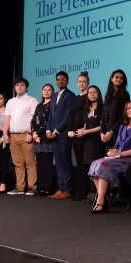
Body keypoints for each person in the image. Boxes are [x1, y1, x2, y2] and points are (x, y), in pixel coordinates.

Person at [88, 100, 131, 214]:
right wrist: (113, 151)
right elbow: (117, 145)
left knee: (102, 165)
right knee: (96, 163)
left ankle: (100, 201)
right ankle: (103, 198)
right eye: (128, 108)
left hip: (129, 159)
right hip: (118, 157)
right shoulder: (122, 127)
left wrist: (121, 154)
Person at [3, 77, 39, 196]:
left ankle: (32, 187)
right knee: (17, 163)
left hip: (26, 134)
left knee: (30, 162)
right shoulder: (10, 101)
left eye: (22, 85)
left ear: (26, 87)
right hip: (13, 135)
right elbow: (7, 119)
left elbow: (35, 119)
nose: (19, 87)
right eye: (17, 85)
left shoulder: (32, 100)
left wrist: (30, 133)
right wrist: (5, 134)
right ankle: (19, 187)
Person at [69, 85, 104, 201]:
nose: (92, 94)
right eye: (90, 93)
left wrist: (87, 131)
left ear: (98, 94)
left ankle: (100, 194)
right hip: (87, 141)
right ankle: (90, 193)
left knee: (97, 167)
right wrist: (81, 132)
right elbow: (84, 125)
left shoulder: (102, 108)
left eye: (95, 92)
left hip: (97, 141)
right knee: (88, 167)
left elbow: (102, 126)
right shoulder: (86, 110)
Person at [46, 71, 75, 200]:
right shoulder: (53, 96)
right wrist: (48, 131)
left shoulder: (70, 95)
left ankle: (67, 189)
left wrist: (56, 130)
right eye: (58, 79)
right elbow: (50, 116)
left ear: (67, 81)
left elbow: (69, 116)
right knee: (58, 163)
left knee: (66, 162)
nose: (60, 81)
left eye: (63, 79)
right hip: (54, 136)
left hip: (63, 135)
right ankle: (60, 188)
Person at [67, 71, 89, 200]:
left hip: (83, 133)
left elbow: (86, 115)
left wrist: (83, 130)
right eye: (80, 81)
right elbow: (71, 114)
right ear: (77, 83)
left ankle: (85, 192)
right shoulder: (76, 97)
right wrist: (70, 130)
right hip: (73, 134)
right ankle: (80, 191)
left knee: (83, 164)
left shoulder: (88, 96)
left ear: (88, 83)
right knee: (79, 164)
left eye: (84, 82)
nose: (81, 83)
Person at [31, 83, 54, 196]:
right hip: (37, 137)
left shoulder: (52, 105)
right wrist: (34, 133)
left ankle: (48, 187)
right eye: (44, 90)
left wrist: (38, 133)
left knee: (47, 164)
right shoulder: (39, 105)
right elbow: (33, 121)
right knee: (39, 164)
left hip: (46, 136)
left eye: (49, 90)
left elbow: (47, 122)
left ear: (52, 92)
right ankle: (40, 187)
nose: (46, 92)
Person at [100, 69, 130, 147]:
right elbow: (104, 114)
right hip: (106, 133)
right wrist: (102, 132)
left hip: (118, 131)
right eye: (116, 77)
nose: (119, 79)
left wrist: (111, 131)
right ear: (111, 79)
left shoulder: (125, 95)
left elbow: (123, 115)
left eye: (121, 78)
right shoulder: (107, 95)